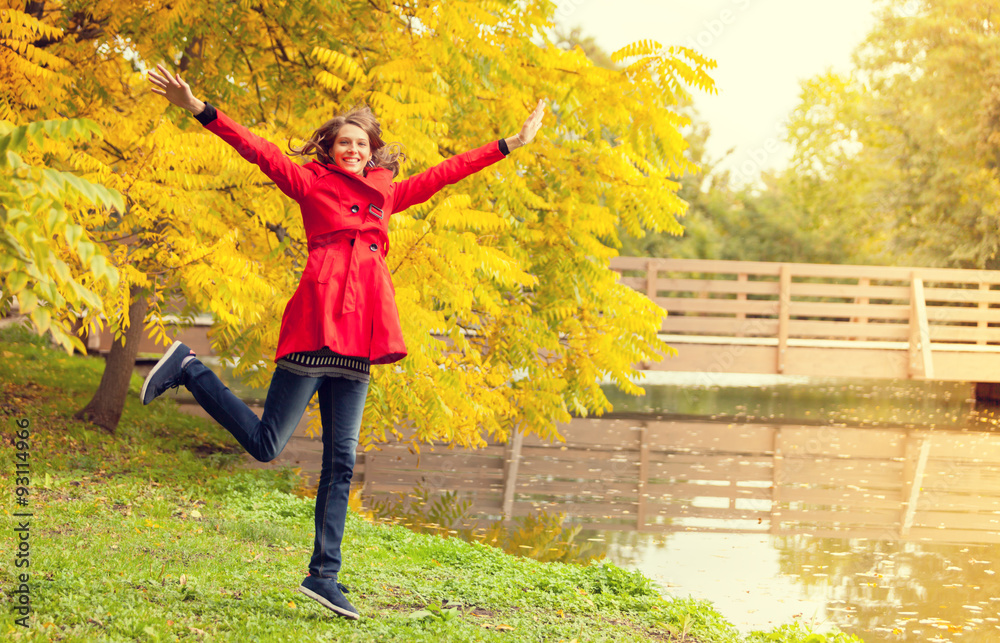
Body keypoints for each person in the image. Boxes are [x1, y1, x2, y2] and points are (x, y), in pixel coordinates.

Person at [142, 63, 544, 620]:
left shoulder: (387, 194)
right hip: (316, 326)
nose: (353, 149)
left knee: (342, 462)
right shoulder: (310, 182)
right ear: (329, 150)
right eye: (343, 143)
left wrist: (509, 144)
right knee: (267, 445)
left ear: (371, 150)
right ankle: (188, 367)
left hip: (361, 338)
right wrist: (199, 109)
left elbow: (449, 172)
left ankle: (324, 576)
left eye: (361, 143)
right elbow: (257, 149)